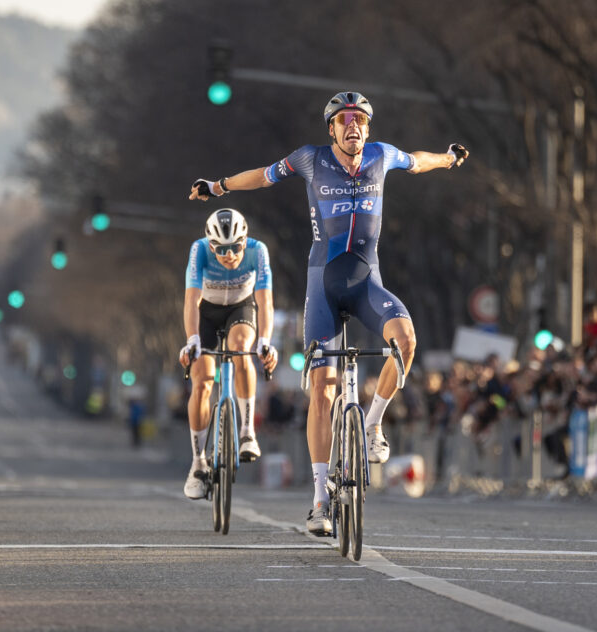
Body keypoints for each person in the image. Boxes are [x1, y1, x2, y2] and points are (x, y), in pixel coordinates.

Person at [189, 91, 467, 534]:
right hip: (322, 285)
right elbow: (262, 177)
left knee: (407, 341)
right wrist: (219, 186)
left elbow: (418, 160)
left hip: (366, 282)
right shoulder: (309, 159)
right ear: (331, 129)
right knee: (323, 390)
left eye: (359, 118)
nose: (352, 125)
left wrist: (448, 159)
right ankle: (320, 501)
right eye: (343, 120)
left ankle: (373, 425)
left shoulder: (381, 155)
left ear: (368, 128)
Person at [177, 208, 278, 499]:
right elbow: (191, 301)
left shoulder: (258, 252)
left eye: (236, 247)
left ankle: (247, 431)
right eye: (221, 249)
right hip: (205, 313)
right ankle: (198, 462)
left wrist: (266, 340)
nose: (230, 255)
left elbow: (265, 301)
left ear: (245, 241)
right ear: (211, 245)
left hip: (240, 308)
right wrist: (192, 339)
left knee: (242, 348)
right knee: (203, 380)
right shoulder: (198, 251)